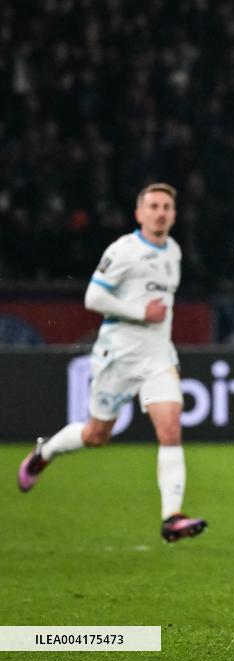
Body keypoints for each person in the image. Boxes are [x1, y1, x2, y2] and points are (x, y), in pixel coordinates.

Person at [17, 183, 207, 543]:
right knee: (96, 435)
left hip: (157, 356)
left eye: (167, 206)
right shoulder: (124, 250)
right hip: (117, 356)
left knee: (170, 430)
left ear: (174, 214)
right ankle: (45, 452)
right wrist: (140, 311)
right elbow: (93, 296)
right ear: (139, 213)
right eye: (153, 206)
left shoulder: (174, 251)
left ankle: (171, 516)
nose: (161, 212)